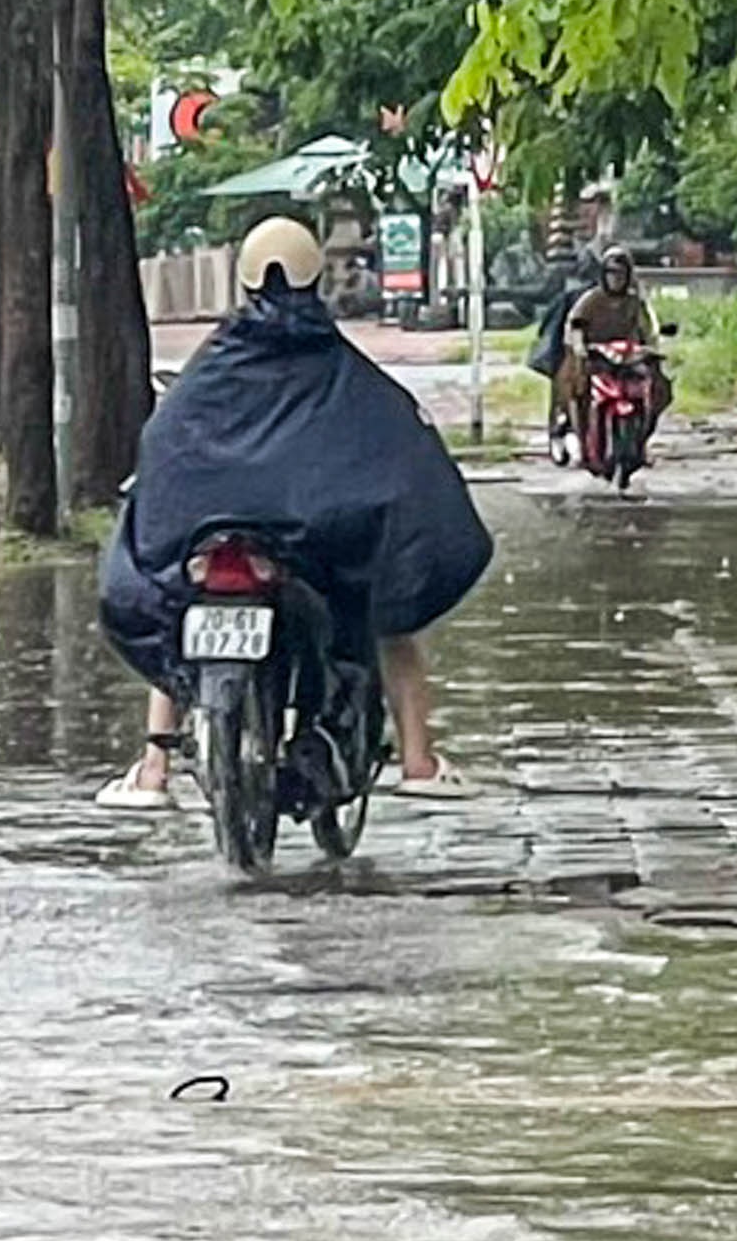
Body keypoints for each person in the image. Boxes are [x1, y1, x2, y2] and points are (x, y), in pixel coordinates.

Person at [94, 219, 492, 805]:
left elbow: (164, 440)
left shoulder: (214, 365)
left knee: (175, 611)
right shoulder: (336, 366)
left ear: (245, 276)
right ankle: (418, 761)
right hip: (310, 544)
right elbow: (393, 439)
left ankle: (153, 768)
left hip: (212, 540)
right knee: (391, 622)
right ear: (316, 276)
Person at [544, 248, 656, 464]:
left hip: (627, 358)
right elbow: (575, 324)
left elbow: (648, 329)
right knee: (577, 387)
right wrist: (580, 347)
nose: (616, 278)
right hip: (595, 358)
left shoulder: (635, 302)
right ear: (603, 274)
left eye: (621, 273)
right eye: (611, 273)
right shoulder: (591, 299)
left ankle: (641, 440)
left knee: (656, 387)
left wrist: (651, 347)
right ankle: (579, 431)